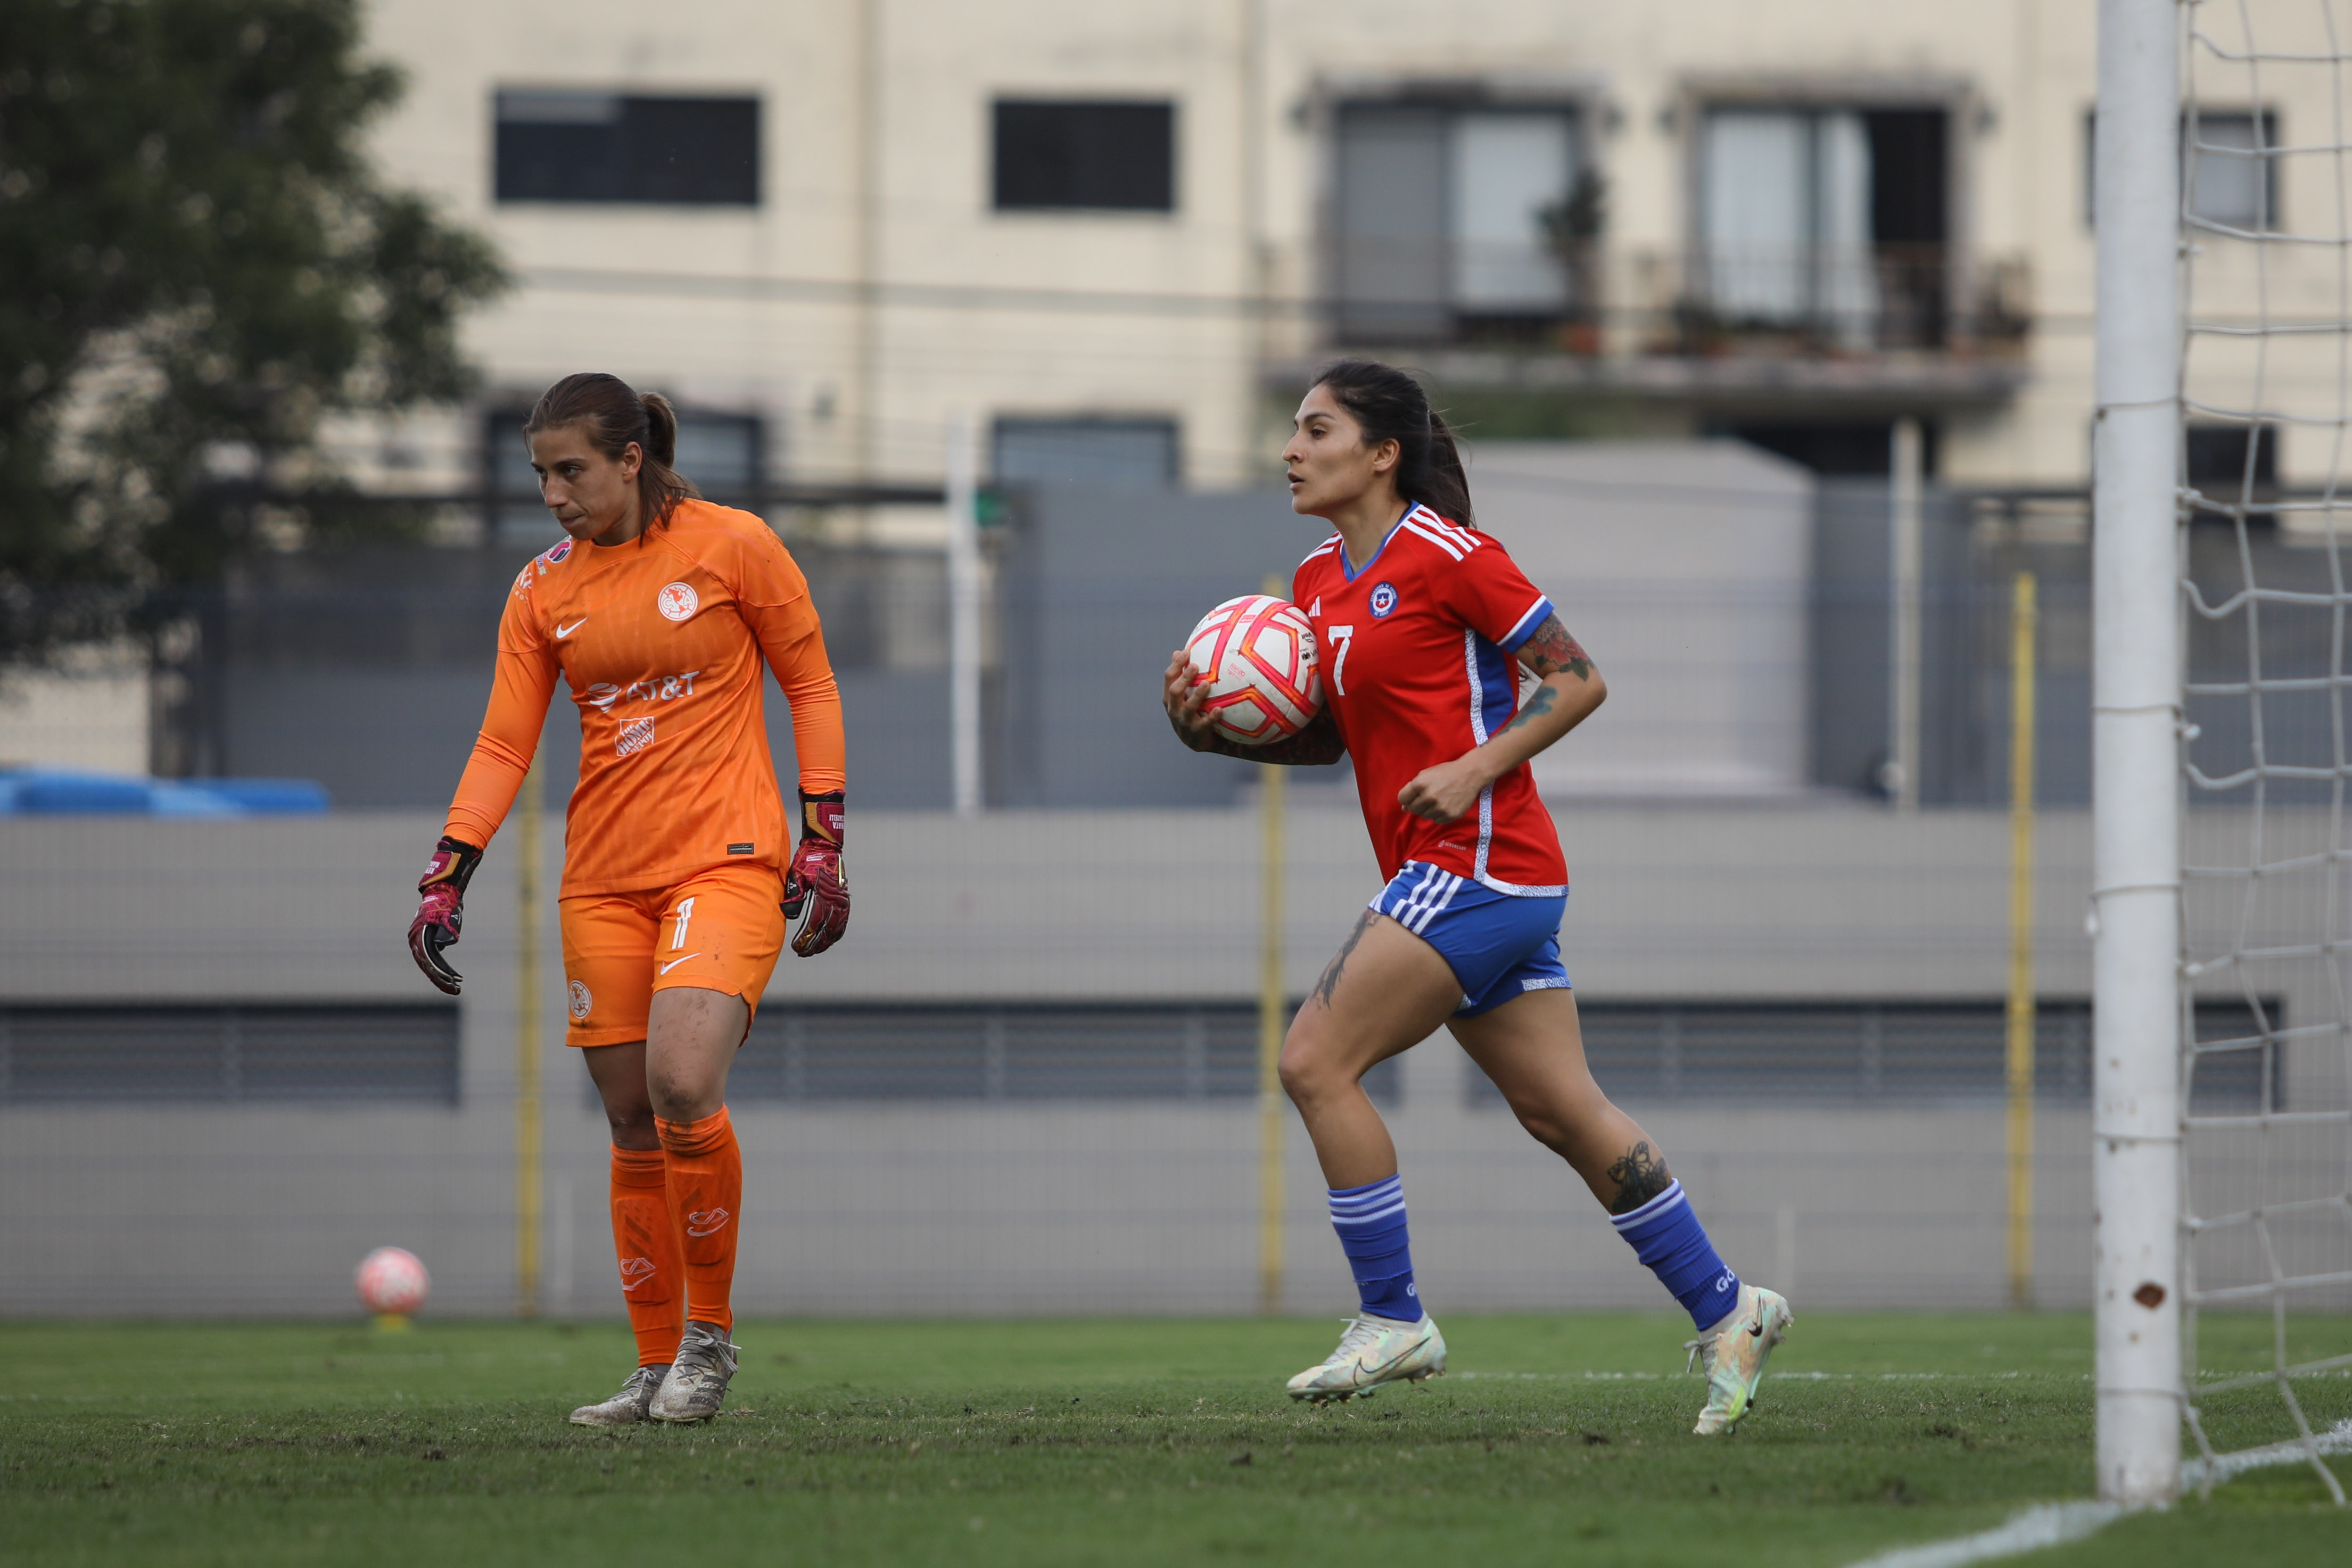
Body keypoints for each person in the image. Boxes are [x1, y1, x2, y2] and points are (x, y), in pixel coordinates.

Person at [1161, 359, 1792, 1435]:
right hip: (1467, 876)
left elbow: (1577, 678)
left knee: (1313, 1062)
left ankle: (1393, 1317)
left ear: (1382, 453)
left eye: (1316, 429)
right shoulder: (1314, 581)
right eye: (1294, 431)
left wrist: (1475, 767)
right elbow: (1333, 740)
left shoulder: (1453, 556)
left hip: (1480, 864)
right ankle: (1731, 1308)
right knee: (1562, 1112)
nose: (1291, 450)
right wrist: (1209, 732)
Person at [406, 373, 850, 1426]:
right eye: (540, 475)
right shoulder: (540, 590)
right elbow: (504, 743)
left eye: (571, 471)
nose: (552, 494)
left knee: (681, 1082)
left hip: (726, 860)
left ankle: (709, 1342)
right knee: (629, 1117)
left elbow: (810, 682)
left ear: (630, 459)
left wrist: (823, 835)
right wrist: (449, 869)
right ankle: (652, 1363)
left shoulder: (733, 545)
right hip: (601, 878)